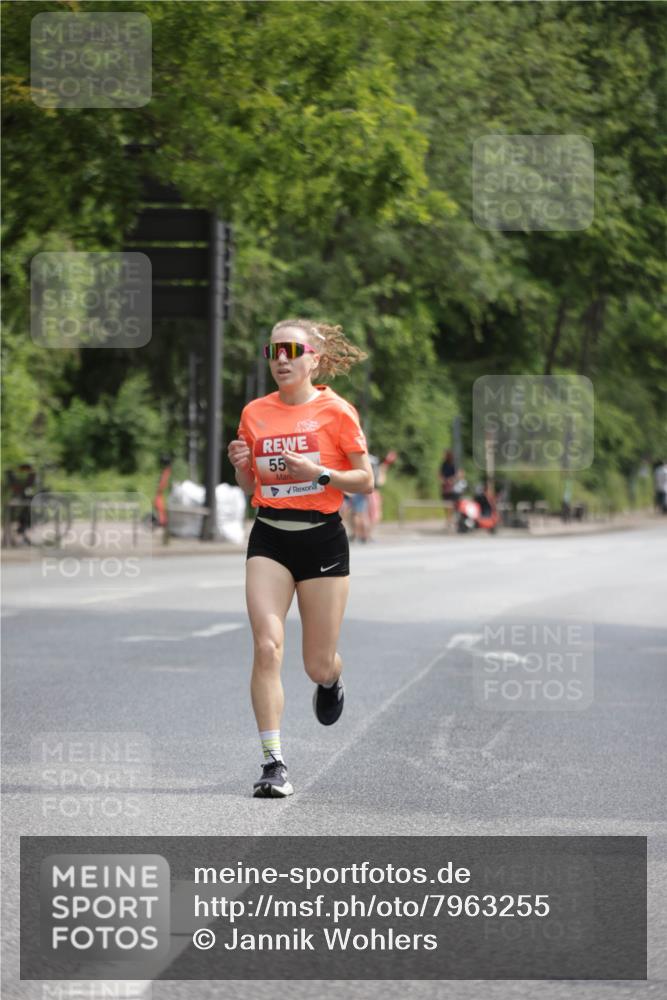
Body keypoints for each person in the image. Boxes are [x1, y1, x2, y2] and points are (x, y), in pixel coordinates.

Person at [227, 318, 374, 798]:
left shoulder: (336, 412)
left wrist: (320, 472)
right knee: (267, 646)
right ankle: (273, 762)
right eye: (272, 351)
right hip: (270, 535)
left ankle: (332, 678)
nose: (281, 359)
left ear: (315, 358)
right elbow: (252, 490)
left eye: (292, 350)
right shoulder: (254, 413)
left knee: (315, 663)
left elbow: (365, 480)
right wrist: (244, 468)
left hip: (322, 540)